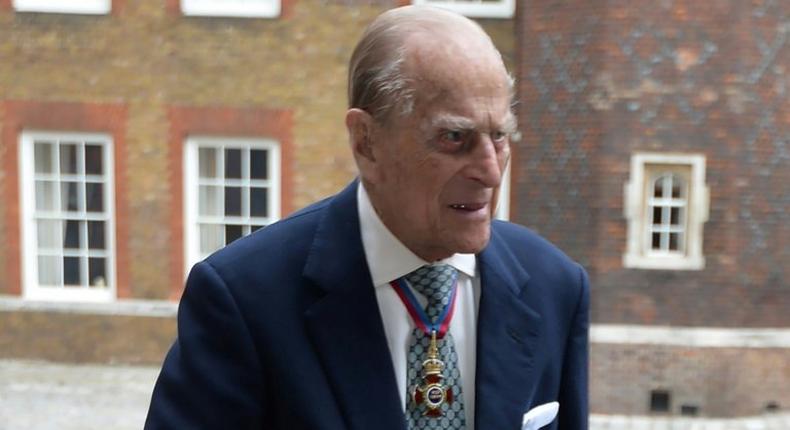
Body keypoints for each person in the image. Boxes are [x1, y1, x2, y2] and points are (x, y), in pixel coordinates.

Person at [145, 5, 589, 430]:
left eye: (500, 136)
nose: (491, 171)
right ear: (366, 142)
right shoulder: (243, 300)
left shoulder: (555, 287)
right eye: (455, 137)